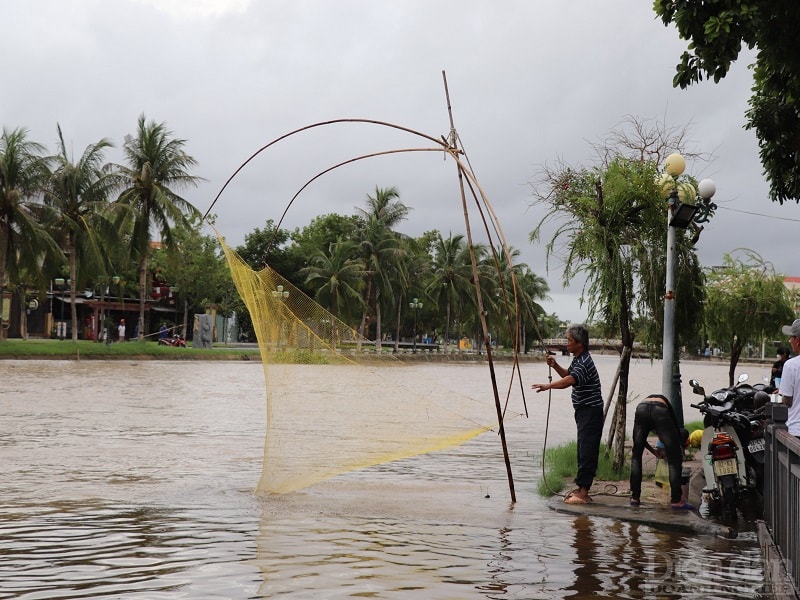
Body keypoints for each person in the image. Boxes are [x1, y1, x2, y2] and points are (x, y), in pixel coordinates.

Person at [532, 323, 603, 504]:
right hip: (583, 411)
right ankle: (581, 488)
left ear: (579, 343)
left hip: (590, 411)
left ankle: (584, 493)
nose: (567, 344)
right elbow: (568, 374)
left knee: (587, 450)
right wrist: (555, 365)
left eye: (569, 341)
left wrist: (548, 386)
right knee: (582, 449)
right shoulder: (578, 359)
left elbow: (569, 381)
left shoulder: (585, 361)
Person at [629, 394, 694, 510]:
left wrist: (654, 451)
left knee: (636, 456)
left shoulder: (646, 404)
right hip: (660, 410)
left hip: (641, 408)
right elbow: (673, 438)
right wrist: (675, 449)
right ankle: (676, 501)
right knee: (674, 460)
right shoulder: (668, 413)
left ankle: (635, 498)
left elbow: (640, 441)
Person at [779, 319, 800, 436]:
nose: (790, 341)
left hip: (796, 430)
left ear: (797, 340)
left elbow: (787, 400)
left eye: (791, 337)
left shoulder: (791, 365)